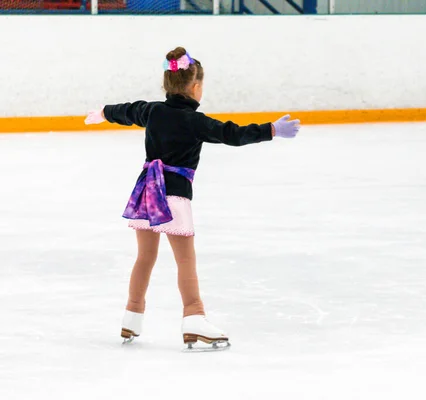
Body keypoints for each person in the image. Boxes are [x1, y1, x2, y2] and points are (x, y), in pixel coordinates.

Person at [84, 46, 300, 350]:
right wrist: (271, 130)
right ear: (195, 87)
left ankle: (131, 316)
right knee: (185, 259)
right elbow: (232, 134)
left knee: (145, 257)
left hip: (147, 192)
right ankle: (194, 317)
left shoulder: (153, 110)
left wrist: (105, 112)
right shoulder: (194, 121)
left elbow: (129, 110)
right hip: (173, 196)